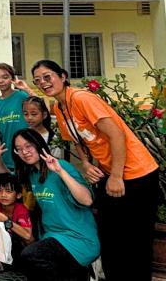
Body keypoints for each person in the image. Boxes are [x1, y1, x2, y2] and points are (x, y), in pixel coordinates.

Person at [22, 59, 158, 281]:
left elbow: (117, 135)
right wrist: (86, 163)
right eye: (38, 80)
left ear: (63, 76)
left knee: (136, 241)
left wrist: (115, 177)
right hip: (110, 173)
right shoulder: (59, 106)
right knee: (110, 236)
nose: (43, 83)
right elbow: (78, 140)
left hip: (137, 174)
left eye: (48, 77)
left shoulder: (82, 98)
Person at [12, 129, 99, 281]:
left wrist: (60, 171)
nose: (24, 152)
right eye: (19, 149)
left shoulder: (61, 166)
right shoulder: (31, 173)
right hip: (52, 238)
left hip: (77, 238)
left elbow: (87, 200)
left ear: (38, 144)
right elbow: (8, 183)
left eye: (28, 146)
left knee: (31, 255)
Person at [0, 63, 28, 171]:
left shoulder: (22, 96)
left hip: (25, 153)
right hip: (6, 155)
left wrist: (27, 89)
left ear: (12, 78)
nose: (0, 81)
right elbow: (2, 126)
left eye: (5, 77)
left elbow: (41, 107)